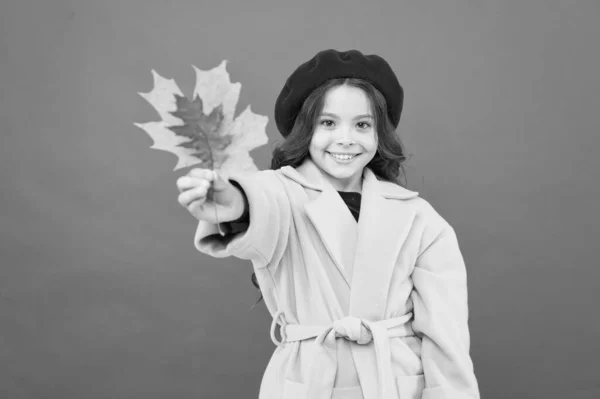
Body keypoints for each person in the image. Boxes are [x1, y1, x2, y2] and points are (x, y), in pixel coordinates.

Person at [176, 49, 480, 399]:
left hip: (398, 385)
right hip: (309, 385)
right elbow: (258, 203)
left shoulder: (420, 218)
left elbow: (446, 337)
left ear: (380, 133)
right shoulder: (283, 195)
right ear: (306, 131)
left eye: (362, 125)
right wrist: (230, 199)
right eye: (328, 123)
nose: (346, 139)